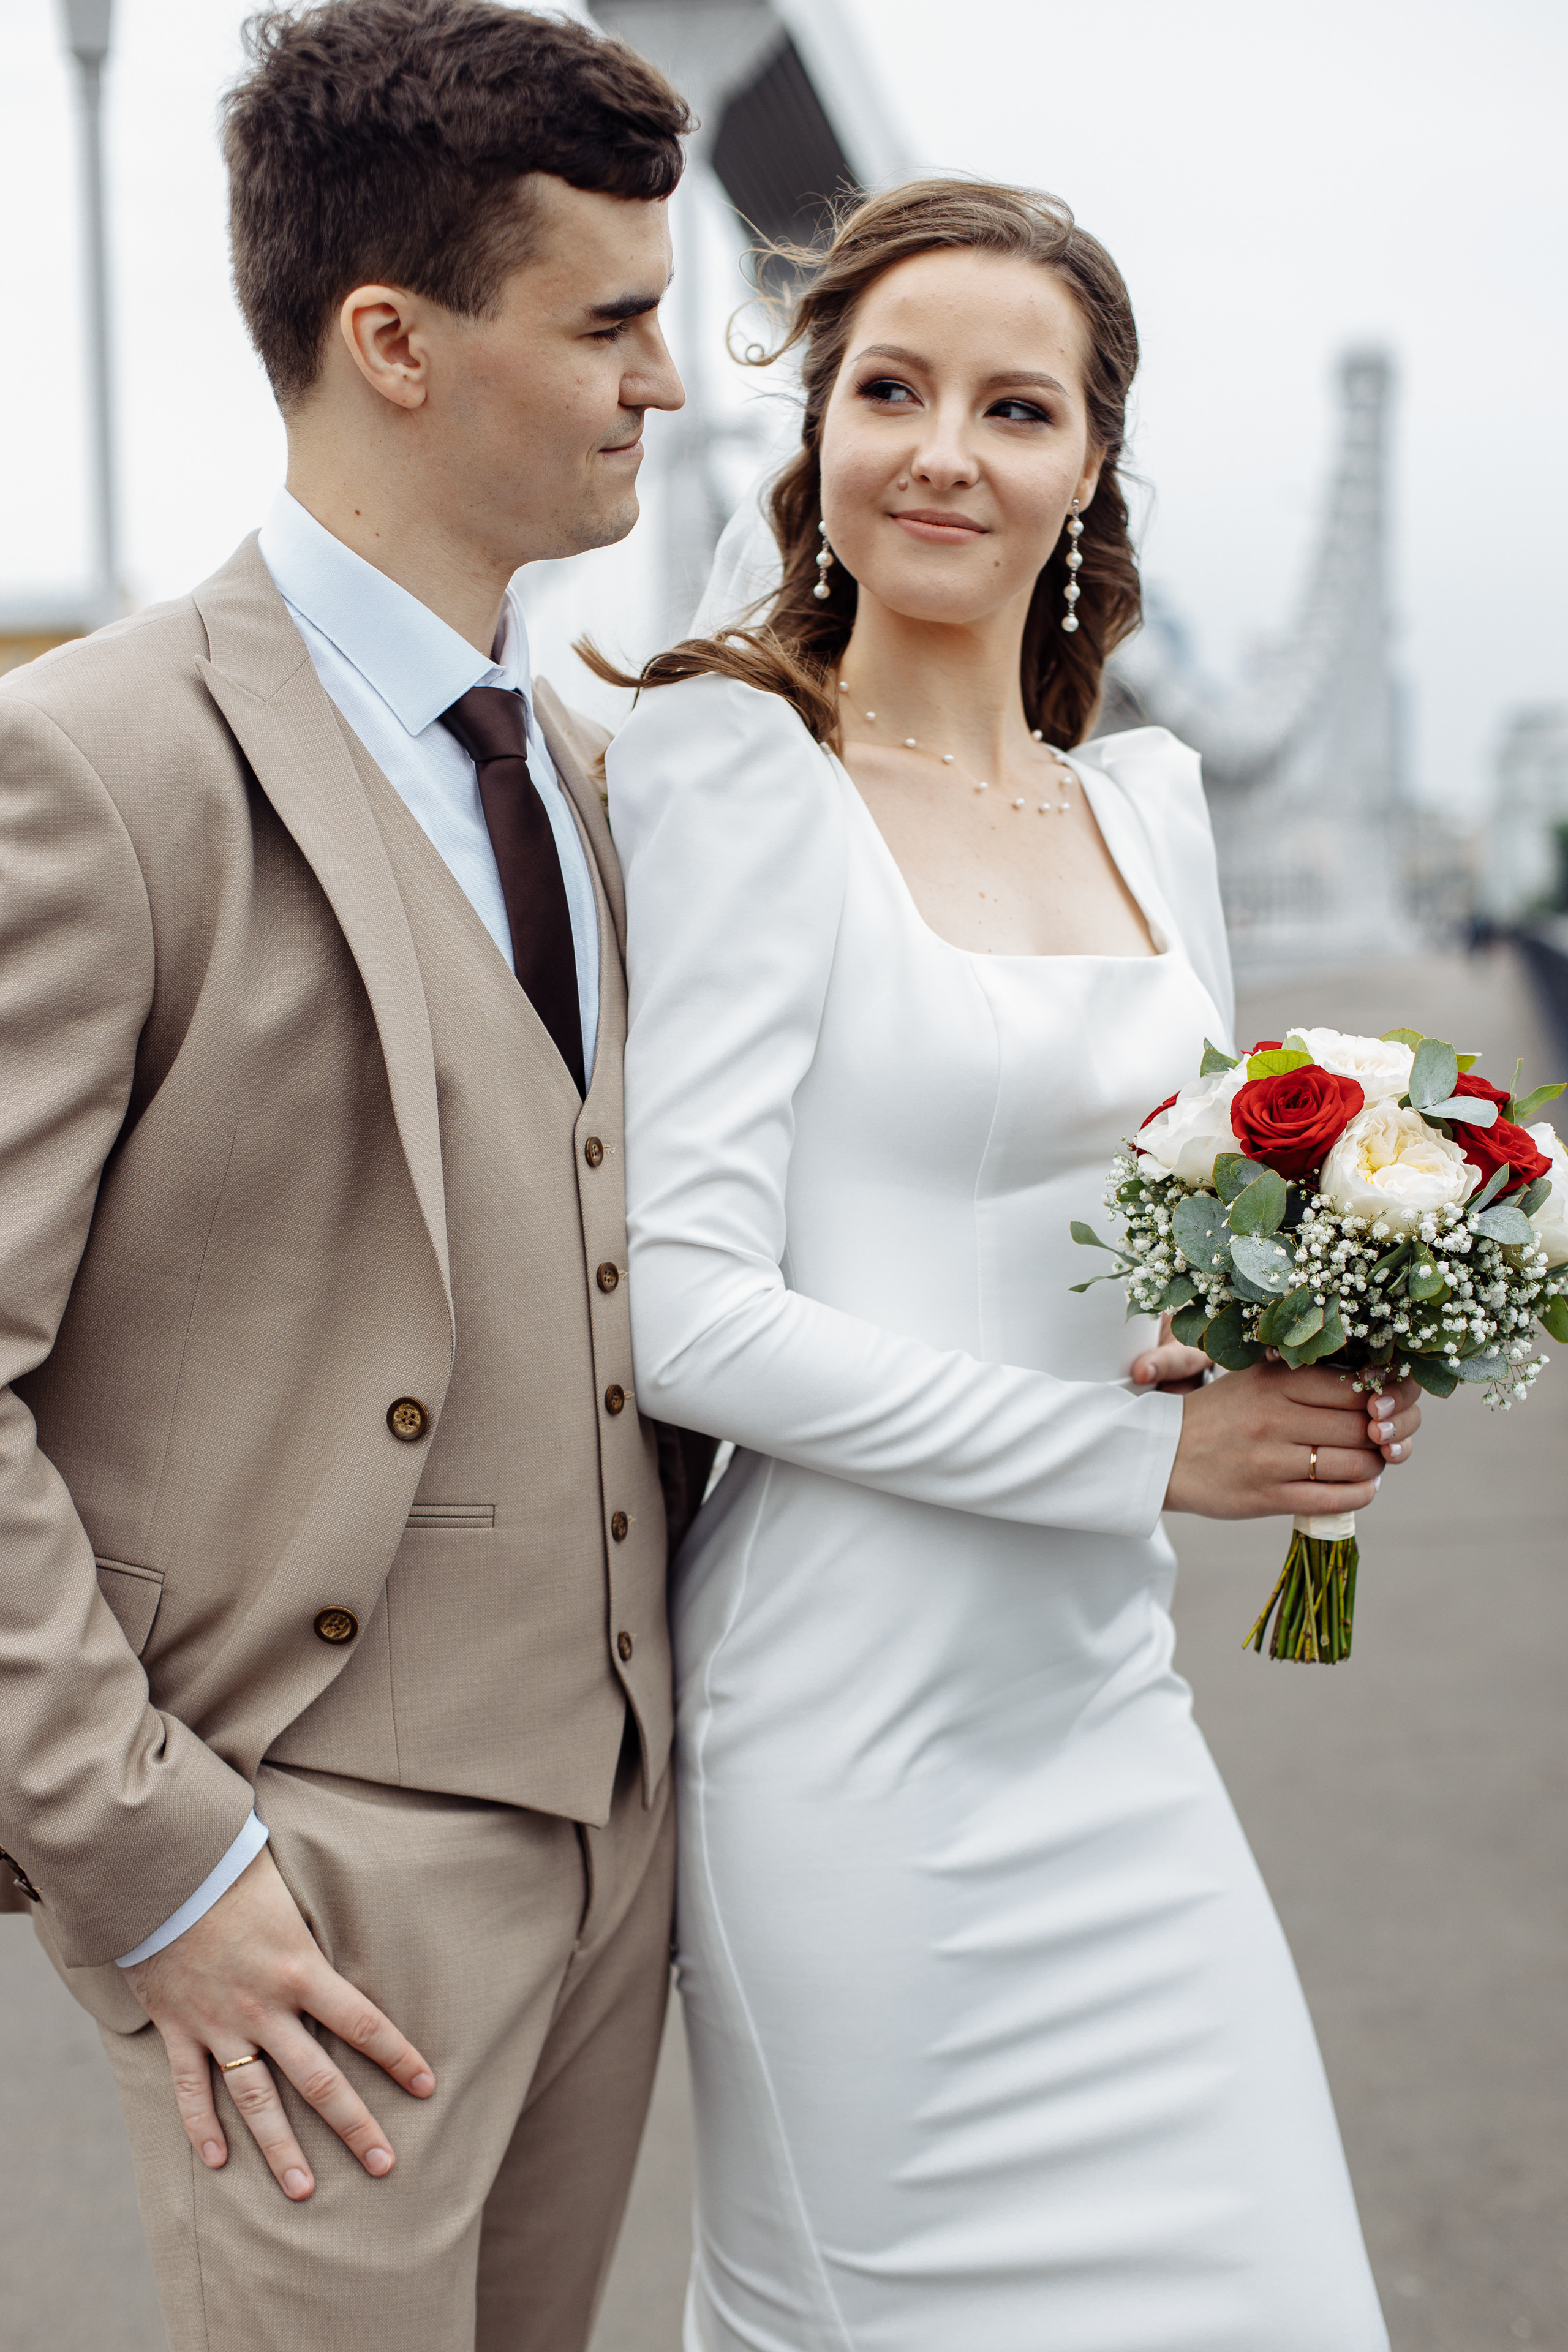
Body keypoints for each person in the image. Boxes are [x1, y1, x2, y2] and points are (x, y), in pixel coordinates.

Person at [603, 180, 1419, 2350]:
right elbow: (686, 1319)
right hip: (850, 1743)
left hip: (1103, 1716)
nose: (943, 449)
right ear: (820, 436)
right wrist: (1145, 1459)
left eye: (1014, 405)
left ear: (1087, 468)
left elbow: (1182, 1224)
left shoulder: (1150, 806)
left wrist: (1316, 1350)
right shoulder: (737, 765)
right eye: (891, 388)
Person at [0, 5, 710, 2346]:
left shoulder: (607, 775)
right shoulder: (92, 767)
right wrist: (151, 1860)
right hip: (301, 1870)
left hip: (622, 1838)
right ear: (392, 341)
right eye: (610, 320)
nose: (668, 383)